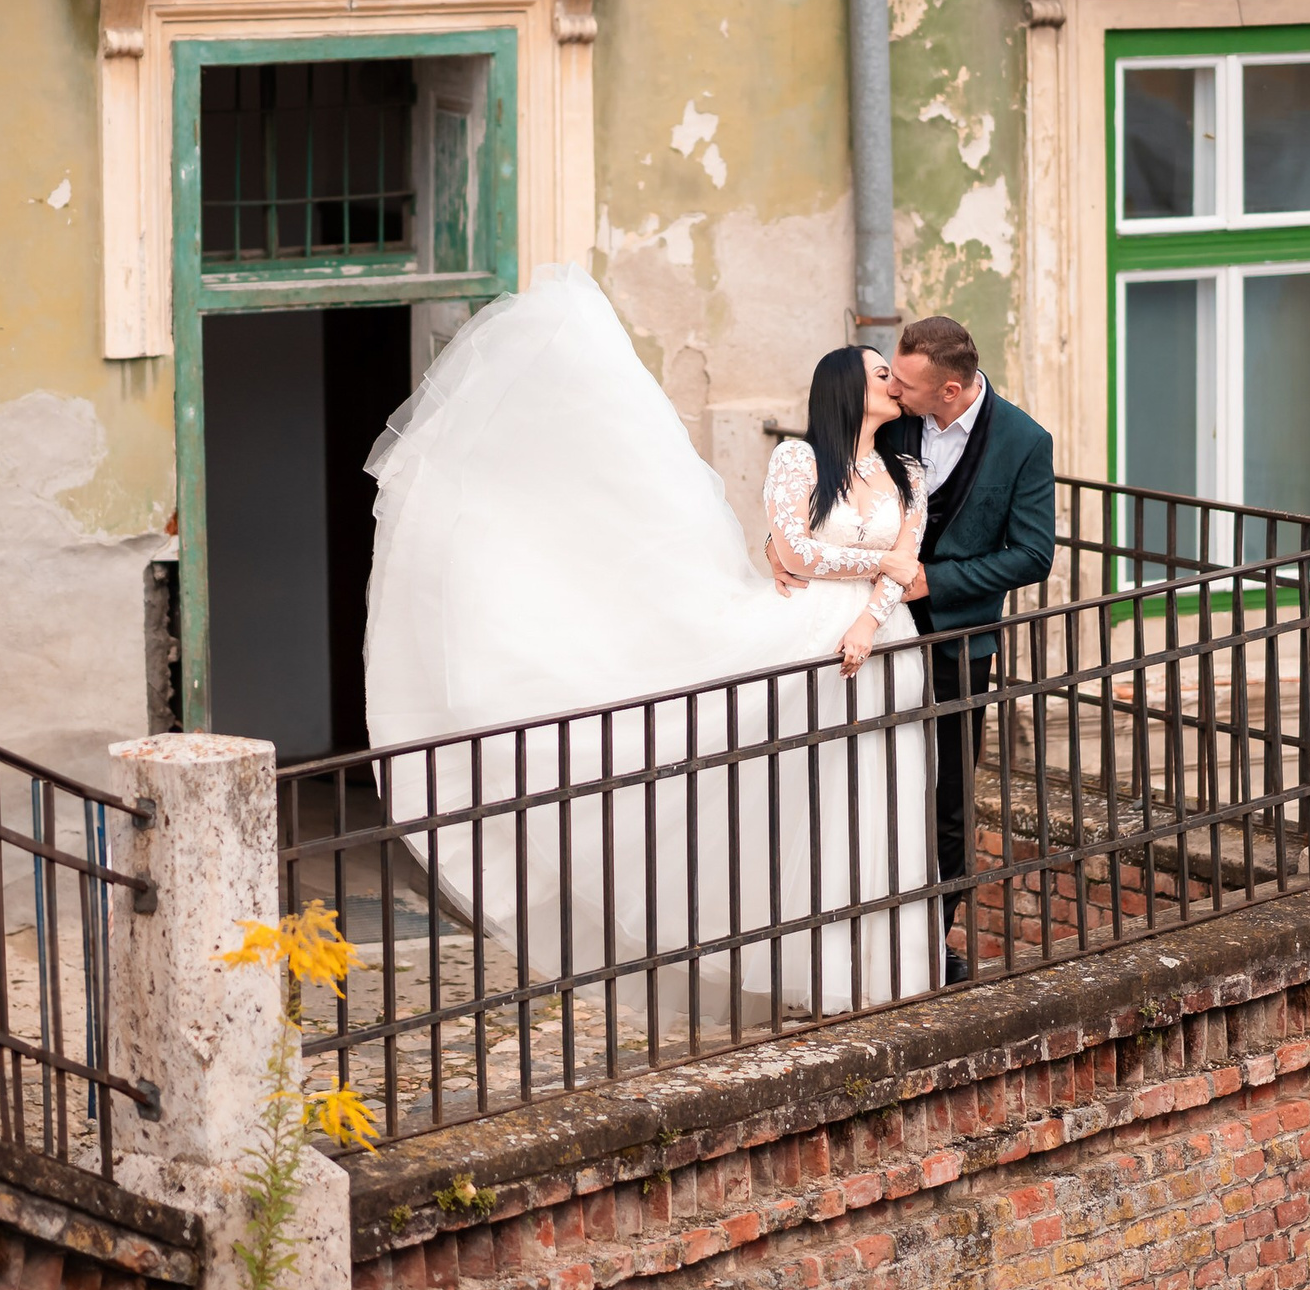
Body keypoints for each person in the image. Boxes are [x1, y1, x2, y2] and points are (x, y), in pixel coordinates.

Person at [363, 267, 940, 1023]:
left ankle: (884, 973)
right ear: (844, 387)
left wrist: (869, 617)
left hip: (884, 643)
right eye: (878, 372)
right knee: (807, 801)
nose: (892, 381)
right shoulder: (799, 461)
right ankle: (811, 971)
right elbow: (800, 552)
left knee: (879, 798)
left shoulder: (908, 469)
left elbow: (909, 563)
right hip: (806, 639)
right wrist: (873, 568)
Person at [768, 317, 1056, 985]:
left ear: (949, 390)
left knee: (945, 799)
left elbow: (1032, 554)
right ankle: (829, 935)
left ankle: (928, 939)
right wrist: (779, 549)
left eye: (903, 381)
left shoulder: (1023, 442)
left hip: (956, 640)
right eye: (888, 375)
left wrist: (934, 580)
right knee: (855, 780)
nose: (893, 388)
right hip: (866, 629)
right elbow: (828, 493)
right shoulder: (895, 421)